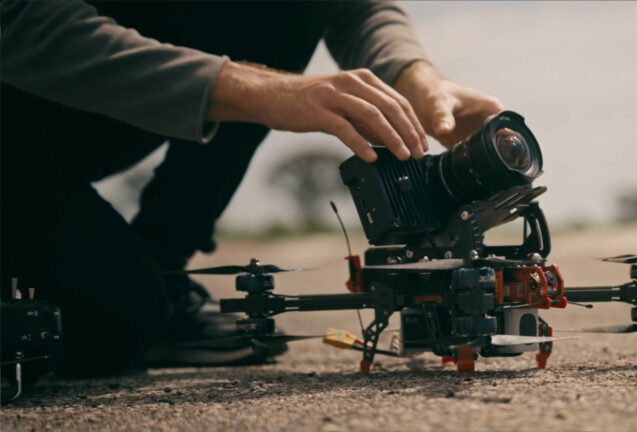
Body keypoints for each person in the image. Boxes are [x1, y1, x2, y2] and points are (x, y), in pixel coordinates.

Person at [0, 0, 504, 377]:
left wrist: (415, 75)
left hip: (78, 123)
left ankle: (163, 261)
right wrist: (263, 92)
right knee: (112, 326)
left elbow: (351, 6)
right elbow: (16, 18)